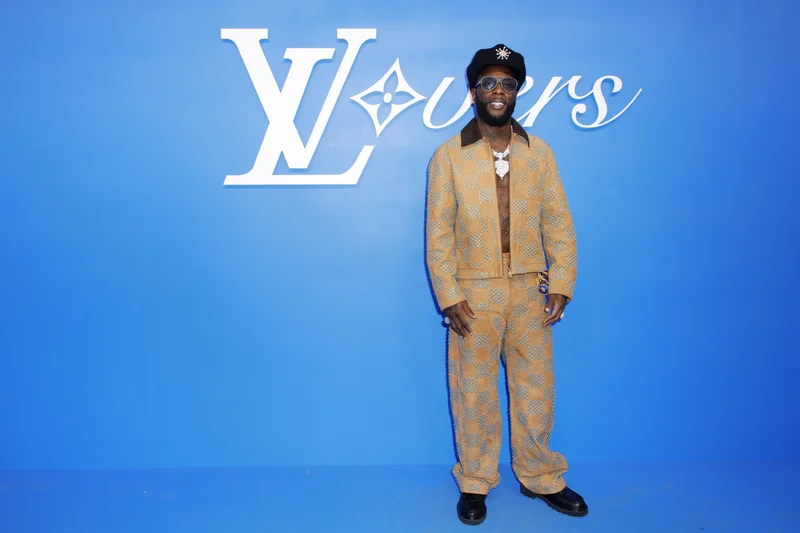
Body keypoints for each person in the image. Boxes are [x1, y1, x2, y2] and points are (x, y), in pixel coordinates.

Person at [425, 44, 587, 526]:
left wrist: (562, 281)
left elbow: (558, 221)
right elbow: (438, 234)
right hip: (473, 293)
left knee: (535, 388)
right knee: (474, 392)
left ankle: (540, 476)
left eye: (508, 83)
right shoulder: (448, 156)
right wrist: (450, 295)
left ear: (517, 92)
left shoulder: (539, 153)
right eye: (489, 83)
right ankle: (475, 480)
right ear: (473, 90)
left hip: (528, 289)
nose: (498, 91)